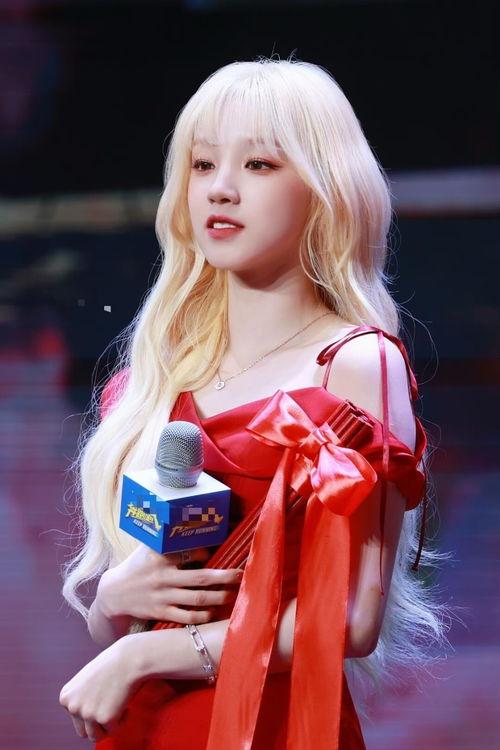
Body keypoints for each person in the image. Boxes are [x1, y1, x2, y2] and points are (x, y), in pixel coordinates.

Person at [59, 55, 452, 749]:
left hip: (270, 725)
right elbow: (141, 606)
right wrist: (111, 604)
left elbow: (350, 621)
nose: (221, 189)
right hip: (145, 726)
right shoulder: (160, 372)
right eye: (203, 165)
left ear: (326, 190)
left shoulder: (355, 364)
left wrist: (143, 655)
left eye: (260, 165)